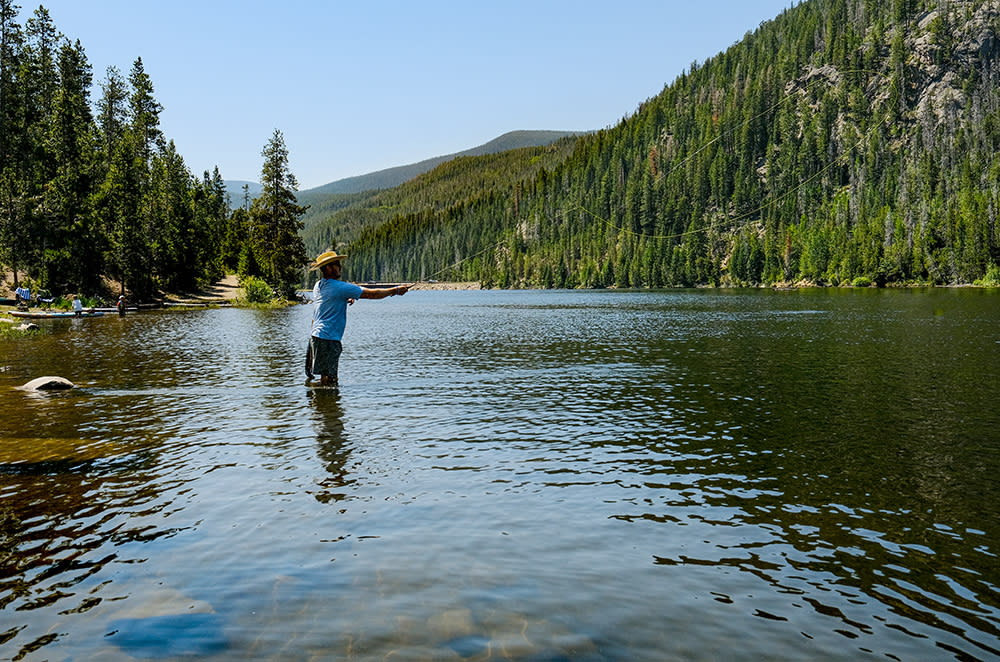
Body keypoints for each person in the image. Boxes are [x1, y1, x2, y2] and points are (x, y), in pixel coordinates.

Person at [308, 250, 408, 386]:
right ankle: (326, 405)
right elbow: (372, 294)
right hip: (328, 338)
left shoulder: (318, 286)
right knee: (330, 381)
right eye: (337, 264)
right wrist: (395, 290)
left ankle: (322, 405)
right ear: (328, 268)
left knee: (325, 379)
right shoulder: (339, 287)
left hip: (316, 336)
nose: (340, 267)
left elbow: (326, 301)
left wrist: (343, 299)